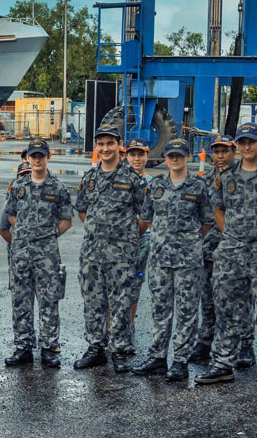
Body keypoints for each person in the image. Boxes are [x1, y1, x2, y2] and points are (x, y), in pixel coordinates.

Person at [132, 139, 212, 381]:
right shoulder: (156, 186)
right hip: (160, 259)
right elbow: (146, 218)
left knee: (187, 311)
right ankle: (157, 357)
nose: (175, 159)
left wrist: (189, 242)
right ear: (165, 159)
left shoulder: (198, 187)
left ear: (188, 157)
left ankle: (180, 360)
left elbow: (207, 222)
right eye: (171, 156)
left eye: (180, 155)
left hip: (188, 260)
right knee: (160, 309)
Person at [73, 124, 144, 374]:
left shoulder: (132, 179)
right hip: (92, 253)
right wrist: (98, 230)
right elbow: (82, 210)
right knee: (93, 301)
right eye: (101, 144)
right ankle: (96, 348)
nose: (105, 148)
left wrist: (123, 236)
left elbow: (144, 215)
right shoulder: (89, 179)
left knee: (121, 302)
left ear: (119, 145)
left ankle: (120, 349)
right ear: (97, 147)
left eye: (110, 143)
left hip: (121, 254)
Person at [2, 139, 72, 369]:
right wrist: (25, 232)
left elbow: (66, 221)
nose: (37, 160)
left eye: (41, 155)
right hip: (21, 253)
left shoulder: (58, 187)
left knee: (49, 301)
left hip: (47, 254)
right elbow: (10, 215)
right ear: (28, 158)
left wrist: (47, 235)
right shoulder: (18, 186)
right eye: (33, 156)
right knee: (21, 300)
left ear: (48, 157)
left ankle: (50, 348)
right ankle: (23, 347)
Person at [197, 123, 257, 384]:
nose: (246, 146)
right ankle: (223, 364)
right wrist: (232, 234)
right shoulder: (227, 175)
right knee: (226, 307)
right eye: (242, 142)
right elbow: (218, 209)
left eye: (251, 142)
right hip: (232, 249)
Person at [191, 135, 236, 363]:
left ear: (233, 152)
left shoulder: (240, 178)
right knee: (207, 297)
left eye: (225, 151)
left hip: (235, 249)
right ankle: (205, 342)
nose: (220, 156)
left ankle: (244, 345)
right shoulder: (204, 181)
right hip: (209, 248)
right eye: (216, 151)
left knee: (236, 300)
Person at [125, 138, 152, 335]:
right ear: (126, 156)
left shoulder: (152, 183)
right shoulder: (120, 179)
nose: (136, 159)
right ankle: (112, 327)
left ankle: (130, 324)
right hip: (120, 241)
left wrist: (138, 232)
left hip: (142, 240)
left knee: (134, 284)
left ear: (147, 156)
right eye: (133, 154)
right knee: (115, 285)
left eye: (140, 154)